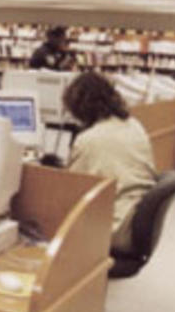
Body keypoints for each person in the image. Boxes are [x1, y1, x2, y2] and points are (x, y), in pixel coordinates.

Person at [63, 71, 157, 254]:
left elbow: (72, 191)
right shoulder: (134, 124)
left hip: (116, 227)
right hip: (135, 219)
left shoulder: (89, 139)